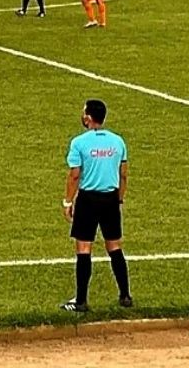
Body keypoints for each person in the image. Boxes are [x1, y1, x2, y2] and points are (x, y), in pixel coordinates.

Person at [62, 99, 132, 313]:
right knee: (114, 246)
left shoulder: (79, 143)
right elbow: (123, 173)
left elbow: (75, 175)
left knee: (84, 248)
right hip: (110, 198)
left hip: (88, 200)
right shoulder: (118, 141)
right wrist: (119, 198)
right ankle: (125, 295)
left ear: (89, 117)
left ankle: (81, 300)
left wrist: (67, 201)